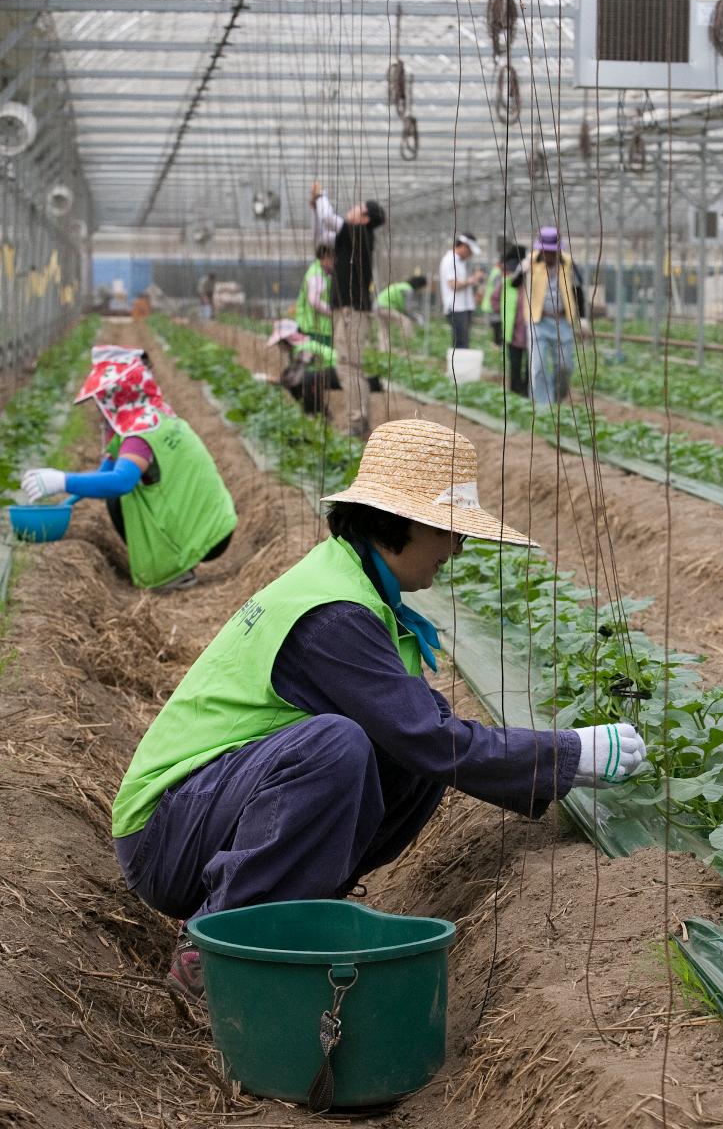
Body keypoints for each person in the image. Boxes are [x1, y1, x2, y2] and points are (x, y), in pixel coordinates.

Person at [110, 418, 646, 1002]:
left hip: (205, 809)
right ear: (404, 525)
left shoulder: (350, 583)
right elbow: (431, 738)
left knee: (403, 748)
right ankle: (215, 947)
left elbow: (420, 737)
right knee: (344, 744)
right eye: (449, 531)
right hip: (163, 833)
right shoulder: (335, 613)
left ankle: (301, 910)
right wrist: (569, 754)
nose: (458, 549)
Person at [22, 346, 237, 592]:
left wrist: (62, 480)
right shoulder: (155, 415)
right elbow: (106, 472)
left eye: (102, 398)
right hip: (217, 522)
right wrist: (66, 501)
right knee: (116, 495)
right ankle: (178, 557)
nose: (99, 407)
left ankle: (173, 570)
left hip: (206, 537)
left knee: (117, 498)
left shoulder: (140, 433)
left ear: (117, 394)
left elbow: (120, 481)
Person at [311, 180, 386, 439]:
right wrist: (316, 206)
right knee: (347, 364)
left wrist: (321, 195)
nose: (352, 209)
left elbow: (328, 218)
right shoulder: (352, 237)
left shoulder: (359, 234)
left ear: (365, 218)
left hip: (352, 311)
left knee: (349, 365)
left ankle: (359, 421)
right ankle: (359, 420)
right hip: (347, 310)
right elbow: (322, 234)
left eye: (358, 207)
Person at [525, 227, 585, 409]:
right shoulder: (531, 261)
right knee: (538, 366)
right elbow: (514, 283)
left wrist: (583, 319)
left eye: (553, 252)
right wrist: (523, 269)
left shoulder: (568, 263)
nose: (549, 255)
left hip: (562, 322)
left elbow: (578, 291)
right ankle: (544, 406)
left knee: (565, 366)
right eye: (546, 251)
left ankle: (557, 398)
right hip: (538, 321)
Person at [491, 245, 528, 396]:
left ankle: (527, 390)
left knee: (531, 364)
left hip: (530, 330)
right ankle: (515, 390)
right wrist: (503, 313)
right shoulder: (506, 283)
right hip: (513, 331)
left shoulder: (531, 285)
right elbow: (494, 299)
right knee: (515, 362)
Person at [439, 233, 483, 349]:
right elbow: (453, 284)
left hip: (464, 307)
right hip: (456, 308)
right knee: (460, 342)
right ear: (463, 246)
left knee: (464, 341)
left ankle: (461, 365)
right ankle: (458, 366)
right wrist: (472, 279)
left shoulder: (460, 262)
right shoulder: (449, 260)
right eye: (470, 251)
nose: (470, 254)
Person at [295, 243, 335, 346]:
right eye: (333, 257)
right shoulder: (317, 274)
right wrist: (334, 313)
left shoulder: (323, 272)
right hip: (314, 329)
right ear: (326, 257)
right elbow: (314, 301)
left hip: (318, 328)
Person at [375, 274, 428, 350]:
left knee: (383, 328)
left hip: (377, 306)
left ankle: (384, 350)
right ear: (419, 285)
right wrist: (416, 317)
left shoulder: (402, 285)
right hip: (385, 306)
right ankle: (407, 347)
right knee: (406, 321)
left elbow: (402, 306)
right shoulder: (408, 289)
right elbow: (408, 309)